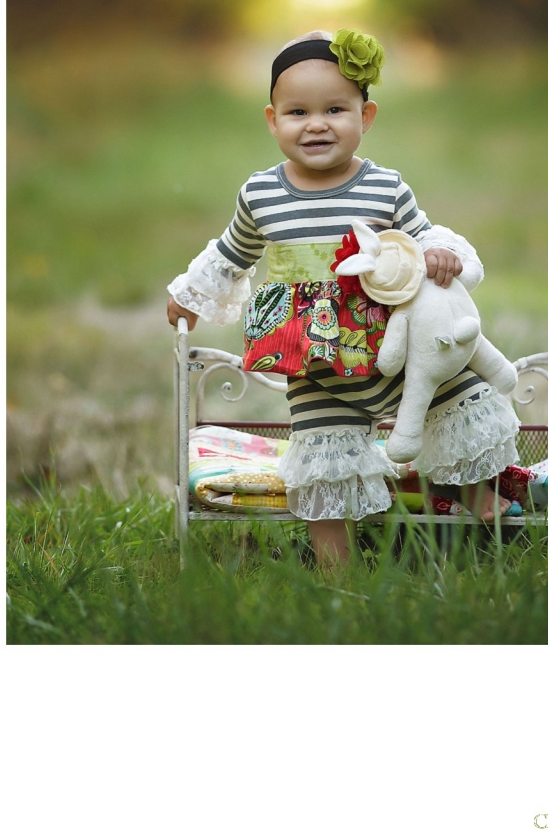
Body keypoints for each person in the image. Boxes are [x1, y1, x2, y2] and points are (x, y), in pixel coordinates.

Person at [167, 29, 520, 566]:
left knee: (443, 398)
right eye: (297, 112)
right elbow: (231, 252)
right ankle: (337, 568)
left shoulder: (385, 186)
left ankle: (475, 496)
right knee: (323, 448)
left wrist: (440, 251)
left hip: (386, 335)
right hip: (310, 353)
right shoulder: (260, 194)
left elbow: (422, 234)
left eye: (335, 109)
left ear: (366, 116)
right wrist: (191, 294)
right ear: (272, 119)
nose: (316, 124)